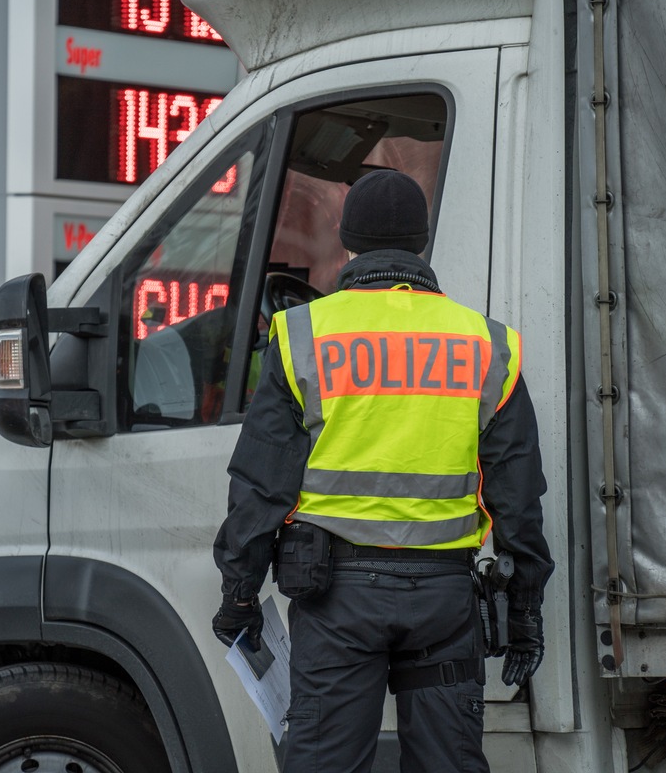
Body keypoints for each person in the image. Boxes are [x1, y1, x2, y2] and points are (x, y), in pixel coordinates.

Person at [211, 169, 553, 772]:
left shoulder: (301, 337)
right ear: (422, 245)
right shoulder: (485, 344)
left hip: (336, 601)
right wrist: (523, 609)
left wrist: (240, 594)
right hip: (445, 601)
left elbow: (262, 485)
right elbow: (517, 494)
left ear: (349, 243)